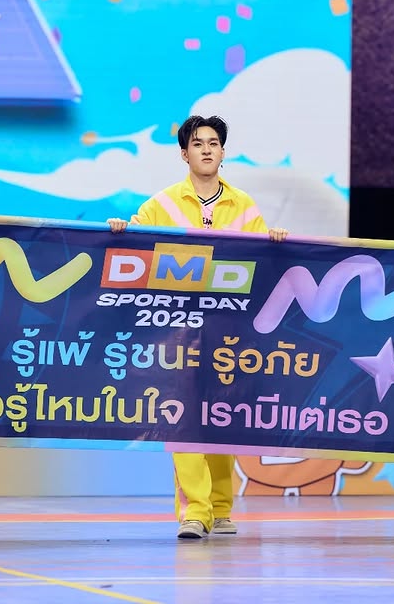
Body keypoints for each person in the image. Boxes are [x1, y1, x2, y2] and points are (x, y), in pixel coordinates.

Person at [108, 114, 287, 539]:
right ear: (184, 154)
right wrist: (121, 230)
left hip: (229, 332)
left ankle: (221, 509)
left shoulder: (243, 205)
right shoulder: (163, 203)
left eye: (213, 143)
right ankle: (195, 512)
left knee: (222, 418)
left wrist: (277, 241)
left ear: (223, 152)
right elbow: (136, 240)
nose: (206, 149)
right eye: (197, 143)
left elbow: (262, 263)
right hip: (177, 331)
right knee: (182, 418)